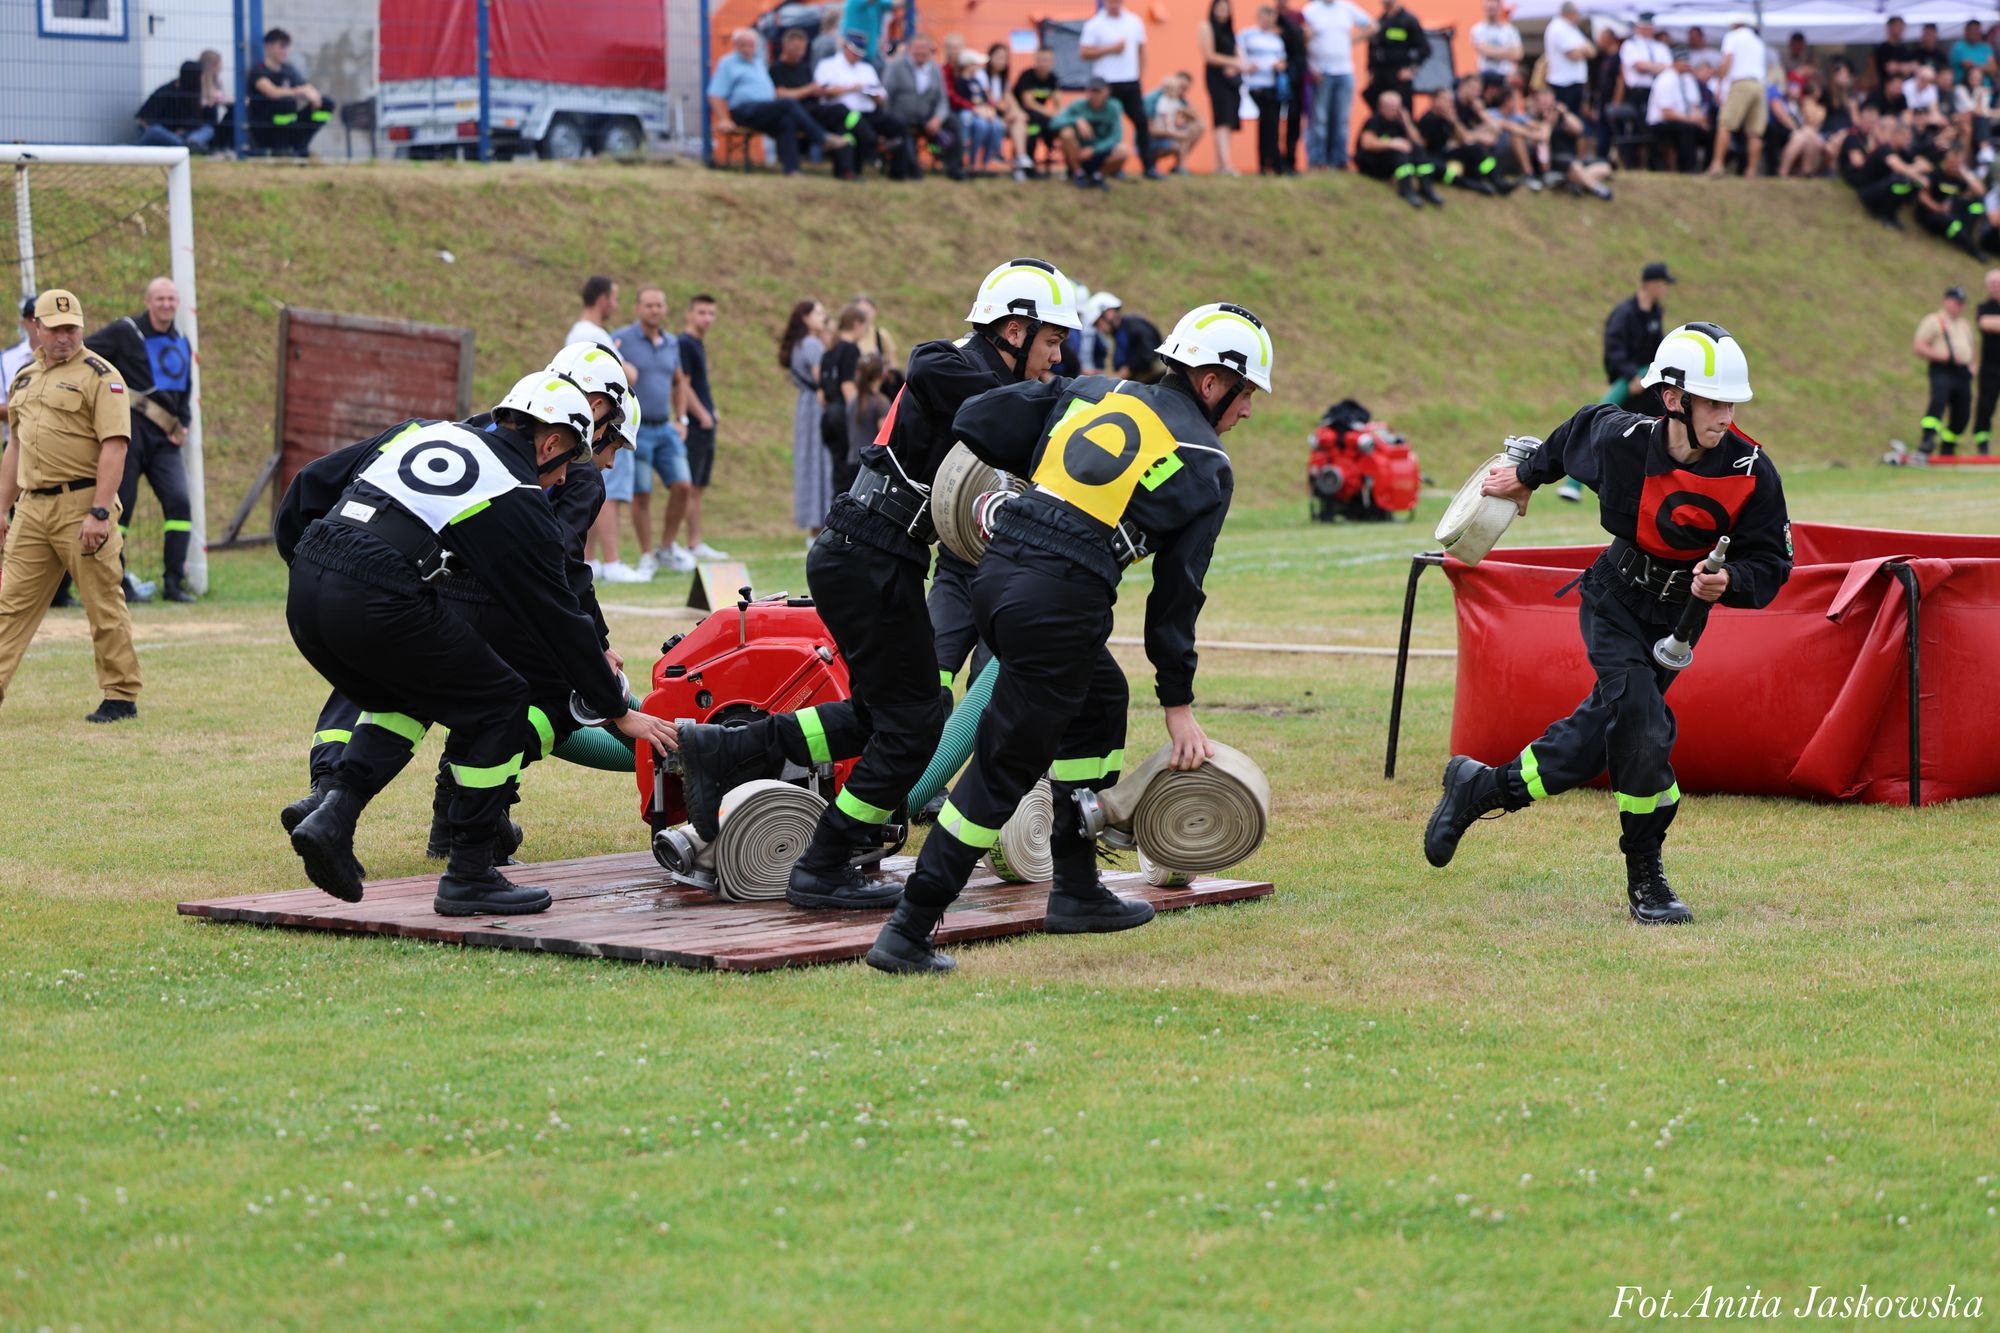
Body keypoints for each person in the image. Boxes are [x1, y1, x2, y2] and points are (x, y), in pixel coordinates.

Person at [864, 300, 1273, 974]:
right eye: (1247, 392)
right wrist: (1179, 706)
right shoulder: (1206, 462)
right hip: (1059, 600)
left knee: (1100, 700)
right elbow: (1177, 597)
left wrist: (1049, 469)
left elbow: (975, 419)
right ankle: (907, 929)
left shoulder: (1093, 390)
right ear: (1211, 381)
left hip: (997, 571)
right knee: (1000, 770)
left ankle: (1077, 888)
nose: (1249, 410)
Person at [670, 260, 1084, 915]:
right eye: (1052, 341)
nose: (1056, 358)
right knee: (916, 725)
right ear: (1013, 330)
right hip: (869, 556)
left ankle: (723, 748)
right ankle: (825, 862)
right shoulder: (952, 365)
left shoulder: (997, 392)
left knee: (880, 715)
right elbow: (926, 365)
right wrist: (1071, 397)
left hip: (872, 555)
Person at [1427, 324, 1790, 928]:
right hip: (1614, 600)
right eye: (1714, 403)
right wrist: (1528, 474)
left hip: (1678, 621)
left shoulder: (1753, 470)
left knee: (1601, 733)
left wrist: (1730, 581)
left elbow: (1773, 563)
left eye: (1732, 403)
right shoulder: (1623, 441)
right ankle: (1646, 877)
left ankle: (1484, 788)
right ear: (1674, 399)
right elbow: (1579, 428)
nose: (1727, 416)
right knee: (1643, 726)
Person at [281, 370, 673, 914]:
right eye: (568, 463)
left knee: (403, 697)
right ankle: (469, 872)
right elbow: (556, 614)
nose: (565, 479)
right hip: (379, 595)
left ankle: (333, 816)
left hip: (308, 583)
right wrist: (616, 708)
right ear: (550, 443)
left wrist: (316, 574)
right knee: (501, 703)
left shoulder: (423, 431)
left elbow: (308, 486)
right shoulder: (516, 494)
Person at [0, 291, 143, 723]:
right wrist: (2, 507)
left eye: (72, 328)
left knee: (102, 601)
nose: (65, 336)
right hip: (31, 508)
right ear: (36, 328)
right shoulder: (23, 378)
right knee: (9, 604)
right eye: (56, 329)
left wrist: (99, 512)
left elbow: (115, 446)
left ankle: (120, 695)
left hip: (82, 504)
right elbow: (15, 448)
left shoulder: (101, 376)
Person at [81, 277, 198, 603]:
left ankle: (173, 583)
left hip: (165, 441)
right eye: (160, 298)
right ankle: (117, 582)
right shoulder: (125, 331)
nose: (166, 304)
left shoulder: (181, 341)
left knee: (179, 503)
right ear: (148, 301)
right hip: (127, 434)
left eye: (171, 299)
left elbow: (185, 389)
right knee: (122, 507)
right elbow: (85, 355)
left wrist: (184, 423)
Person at [613, 286, 694, 575]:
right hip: (638, 430)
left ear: (665, 308)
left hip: (665, 428)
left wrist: (681, 418)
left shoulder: (672, 343)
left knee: (683, 485)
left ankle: (667, 547)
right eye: (649, 305)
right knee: (642, 494)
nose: (654, 310)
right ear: (638, 308)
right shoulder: (622, 339)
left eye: (659, 305)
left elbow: (678, 381)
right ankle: (647, 554)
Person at [710, 28, 847, 175]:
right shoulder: (728, 64)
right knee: (787, 103)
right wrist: (723, 119)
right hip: (744, 110)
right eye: (743, 45)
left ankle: (792, 170)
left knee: (786, 121)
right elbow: (715, 94)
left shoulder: (757, 62)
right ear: (735, 45)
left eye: (750, 45)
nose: (747, 49)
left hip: (763, 110)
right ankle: (821, 138)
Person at [770, 28, 863, 181]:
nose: (800, 53)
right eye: (797, 48)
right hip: (796, 113)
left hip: (812, 110)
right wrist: (809, 89)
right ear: (785, 47)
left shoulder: (804, 68)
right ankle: (827, 139)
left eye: (803, 49)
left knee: (841, 123)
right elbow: (782, 95)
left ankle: (846, 170)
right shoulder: (776, 69)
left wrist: (819, 91)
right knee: (840, 110)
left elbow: (812, 91)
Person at [1080, 0, 1161, 178]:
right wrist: (1110, 49)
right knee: (1109, 125)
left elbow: (1141, 51)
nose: (1114, 5)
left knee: (1141, 122)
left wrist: (1139, 77)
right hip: (1105, 84)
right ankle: (1113, 165)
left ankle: (1149, 166)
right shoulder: (1095, 24)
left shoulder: (1134, 21)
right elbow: (1084, 53)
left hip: (1130, 82)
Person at [816, 31, 912, 180]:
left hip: (868, 113)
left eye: (859, 53)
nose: (857, 56)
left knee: (898, 124)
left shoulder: (867, 69)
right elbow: (822, 91)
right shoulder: (827, 65)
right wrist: (851, 88)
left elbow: (881, 97)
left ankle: (899, 172)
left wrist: (874, 95)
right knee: (849, 128)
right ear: (845, 47)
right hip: (842, 115)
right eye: (854, 52)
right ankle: (848, 170)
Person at [676, 294, 728, 562]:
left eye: (711, 313)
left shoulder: (697, 343)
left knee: (699, 487)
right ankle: (690, 543)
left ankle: (695, 542)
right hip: (695, 426)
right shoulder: (684, 343)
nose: (707, 318)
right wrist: (701, 414)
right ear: (689, 314)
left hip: (706, 424)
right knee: (690, 485)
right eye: (701, 312)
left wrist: (712, 411)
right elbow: (682, 384)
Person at [883, 34, 965, 181]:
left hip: (927, 118)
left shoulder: (935, 69)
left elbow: (942, 100)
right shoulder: (896, 66)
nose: (921, 52)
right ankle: (911, 169)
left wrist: (937, 118)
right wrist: (887, 120)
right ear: (910, 49)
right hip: (902, 118)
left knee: (953, 122)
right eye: (918, 48)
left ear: (930, 50)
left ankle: (956, 169)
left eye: (924, 48)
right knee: (902, 131)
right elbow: (886, 95)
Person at [782, 300, 832, 537]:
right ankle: (820, 523)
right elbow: (823, 380)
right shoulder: (812, 344)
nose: (823, 317)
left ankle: (815, 523)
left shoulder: (801, 344)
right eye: (818, 313)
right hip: (816, 408)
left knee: (811, 462)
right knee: (820, 462)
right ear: (805, 317)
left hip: (806, 407)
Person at [1302, 0, 1372, 170]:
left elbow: (1372, 26)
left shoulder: (1347, 8)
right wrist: (1311, 67)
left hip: (1344, 71)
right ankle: (1317, 160)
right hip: (1321, 72)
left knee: (1341, 119)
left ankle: (1339, 160)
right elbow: (1303, 39)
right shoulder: (1311, 10)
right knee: (1319, 119)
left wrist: (1350, 41)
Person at [248, 28, 334, 156]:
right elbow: (272, 92)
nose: (286, 51)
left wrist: (315, 97)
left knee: (326, 103)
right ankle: (280, 150)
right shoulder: (259, 70)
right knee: (286, 102)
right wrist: (299, 91)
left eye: (287, 46)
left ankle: (301, 146)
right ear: (269, 47)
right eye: (282, 46)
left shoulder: (288, 69)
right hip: (265, 127)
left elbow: (307, 87)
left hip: (290, 125)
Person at [1914, 286, 1976, 456]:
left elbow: (1972, 347)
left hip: (1962, 372)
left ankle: (1949, 445)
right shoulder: (1934, 320)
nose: (1959, 306)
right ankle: (1927, 439)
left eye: (1962, 303)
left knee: (1963, 412)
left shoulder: (1964, 324)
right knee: (1938, 402)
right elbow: (1919, 346)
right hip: (1943, 369)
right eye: (1956, 302)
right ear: (1946, 301)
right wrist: (1941, 356)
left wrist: (1973, 367)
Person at [1355, 88, 1442, 206]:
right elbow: (1367, 143)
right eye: (1390, 107)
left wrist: (1407, 122)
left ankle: (1426, 188)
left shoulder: (1400, 122)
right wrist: (1392, 143)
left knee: (1418, 150)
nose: (1394, 110)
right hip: (1372, 163)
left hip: (1391, 163)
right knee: (1399, 153)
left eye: (1397, 107)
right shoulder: (1374, 120)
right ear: (1381, 107)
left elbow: (1419, 142)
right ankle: (1406, 190)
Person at [1526, 85, 1615, 199]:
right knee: (1575, 166)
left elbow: (1579, 129)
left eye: (1549, 103)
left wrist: (1564, 113)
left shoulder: (1562, 118)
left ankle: (1574, 183)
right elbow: (1542, 139)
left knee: (1605, 167)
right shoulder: (1534, 120)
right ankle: (1597, 188)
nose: (1547, 106)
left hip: (1571, 159)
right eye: (1543, 103)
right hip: (1552, 161)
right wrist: (1548, 123)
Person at [1708, 15, 1768, 176]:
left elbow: (1727, 61)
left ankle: (1717, 165)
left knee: (1725, 124)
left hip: (1741, 84)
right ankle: (1752, 171)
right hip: (1759, 86)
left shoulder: (1732, 37)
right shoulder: (1758, 42)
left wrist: (1719, 83)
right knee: (1755, 131)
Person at [818, 303, 867, 501]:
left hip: (828, 416)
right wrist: (860, 418)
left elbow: (821, 395)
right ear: (857, 324)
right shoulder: (850, 349)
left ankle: (834, 510)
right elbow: (847, 385)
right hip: (843, 417)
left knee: (837, 472)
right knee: (850, 474)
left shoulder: (829, 351)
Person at [1051, 78, 1131, 188]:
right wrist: (1077, 120)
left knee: (1124, 150)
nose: (1095, 95)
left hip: (1101, 153)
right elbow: (1054, 123)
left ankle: (1098, 176)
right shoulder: (1078, 105)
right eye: (1092, 91)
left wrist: (1094, 150)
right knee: (1066, 133)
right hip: (1079, 153)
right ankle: (1078, 173)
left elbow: (1117, 136)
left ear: (1107, 92)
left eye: (1098, 91)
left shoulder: (1114, 107)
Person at [1238, 6, 1289, 175]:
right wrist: (1246, 66)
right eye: (1265, 16)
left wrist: (1279, 66)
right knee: (1268, 122)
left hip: (1273, 86)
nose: (1268, 20)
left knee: (1271, 124)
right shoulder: (1248, 34)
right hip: (1256, 86)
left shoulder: (1276, 40)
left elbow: (1283, 61)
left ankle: (1270, 162)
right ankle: (1269, 163)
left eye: (1271, 17)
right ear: (1258, 17)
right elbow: (1238, 52)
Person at [1619, 14, 1671, 169]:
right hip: (1638, 92)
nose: (1647, 31)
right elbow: (1639, 66)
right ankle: (1632, 163)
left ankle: (1654, 164)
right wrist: (1656, 67)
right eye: (1644, 28)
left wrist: (1650, 66)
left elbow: (1668, 68)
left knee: (1655, 126)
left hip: (1658, 91)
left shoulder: (1660, 47)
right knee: (1637, 127)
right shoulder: (1630, 45)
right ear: (1638, 28)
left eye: (1649, 28)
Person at [1201, 0, 1246, 174]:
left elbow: (1239, 56)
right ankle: (1225, 164)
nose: (1222, 12)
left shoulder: (1230, 31)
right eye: (1219, 8)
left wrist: (1236, 66)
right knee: (1221, 119)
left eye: (1225, 9)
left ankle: (1222, 163)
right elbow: (1209, 55)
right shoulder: (1206, 27)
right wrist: (1233, 62)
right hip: (1216, 78)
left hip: (1232, 80)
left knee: (1229, 120)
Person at [1646, 46, 1707, 173]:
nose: (1687, 65)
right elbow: (1667, 113)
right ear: (1676, 62)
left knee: (1708, 132)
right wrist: (1691, 120)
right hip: (1661, 123)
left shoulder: (1688, 79)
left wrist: (1700, 120)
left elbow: (1695, 105)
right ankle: (1688, 169)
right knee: (1687, 129)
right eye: (1684, 62)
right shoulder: (1665, 79)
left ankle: (1706, 168)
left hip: (1682, 120)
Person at [136, 60, 219, 152]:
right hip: (164, 134)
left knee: (208, 129)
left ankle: (190, 144)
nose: (203, 80)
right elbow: (143, 120)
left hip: (181, 136)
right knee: (155, 130)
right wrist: (171, 132)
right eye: (201, 76)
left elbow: (194, 122)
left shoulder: (193, 94)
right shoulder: (165, 92)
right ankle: (188, 147)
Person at [1365, 0, 1431, 106]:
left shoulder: (1409, 21)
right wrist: (1370, 70)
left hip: (1399, 75)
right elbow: (1373, 48)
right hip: (1380, 75)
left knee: (1401, 109)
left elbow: (1424, 49)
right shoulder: (1380, 21)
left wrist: (1411, 70)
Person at [1014, 45, 1063, 171]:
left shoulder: (1053, 79)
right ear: (1036, 60)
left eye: (1046, 60)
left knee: (1054, 124)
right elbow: (1028, 103)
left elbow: (1058, 103)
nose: (1043, 64)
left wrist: (1058, 114)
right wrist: (1049, 112)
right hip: (1023, 114)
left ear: (1052, 62)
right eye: (1040, 60)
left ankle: (1050, 156)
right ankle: (1027, 163)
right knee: (1034, 125)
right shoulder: (1027, 75)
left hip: (1040, 116)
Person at [1146, 71, 1207, 172]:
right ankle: (1151, 162)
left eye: (1185, 89)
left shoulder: (1179, 100)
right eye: (1180, 87)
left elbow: (1194, 118)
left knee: (1196, 127)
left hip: (1168, 133)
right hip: (1152, 139)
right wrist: (1175, 133)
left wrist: (1186, 117)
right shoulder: (1156, 100)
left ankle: (1180, 166)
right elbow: (1152, 129)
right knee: (1182, 137)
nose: (1182, 91)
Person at [1541, 2, 1594, 117]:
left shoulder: (1572, 28)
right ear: (1570, 13)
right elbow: (1573, 55)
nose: (1579, 16)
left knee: (1576, 118)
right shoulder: (1558, 28)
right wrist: (1583, 49)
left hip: (1575, 82)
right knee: (1564, 119)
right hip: (1563, 84)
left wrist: (1582, 50)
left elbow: (1592, 51)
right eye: (1577, 13)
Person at [1973, 271, 2000, 456]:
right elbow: (1984, 323)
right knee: (1986, 405)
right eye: (1993, 284)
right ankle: (1982, 445)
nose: (1996, 287)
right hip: (1990, 367)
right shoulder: (1983, 307)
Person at [1470, 0, 1522, 90]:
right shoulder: (1477, 29)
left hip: (1506, 77)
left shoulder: (1510, 30)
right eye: (1489, 8)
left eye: (1494, 8)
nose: (1491, 11)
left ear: (1500, 8)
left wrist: (1492, 50)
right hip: (1486, 77)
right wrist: (1508, 51)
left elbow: (1518, 54)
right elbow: (1485, 51)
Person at [1951, 21, 1995, 86]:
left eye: (1978, 30)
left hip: (1985, 87)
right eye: (1973, 30)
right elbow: (1967, 65)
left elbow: (1993, 69)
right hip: (1965, 88)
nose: (1976, 33)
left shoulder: (1986, 47)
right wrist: (1985, 67)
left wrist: (1974, 65)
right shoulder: (1958, 47)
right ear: (1966, 32)